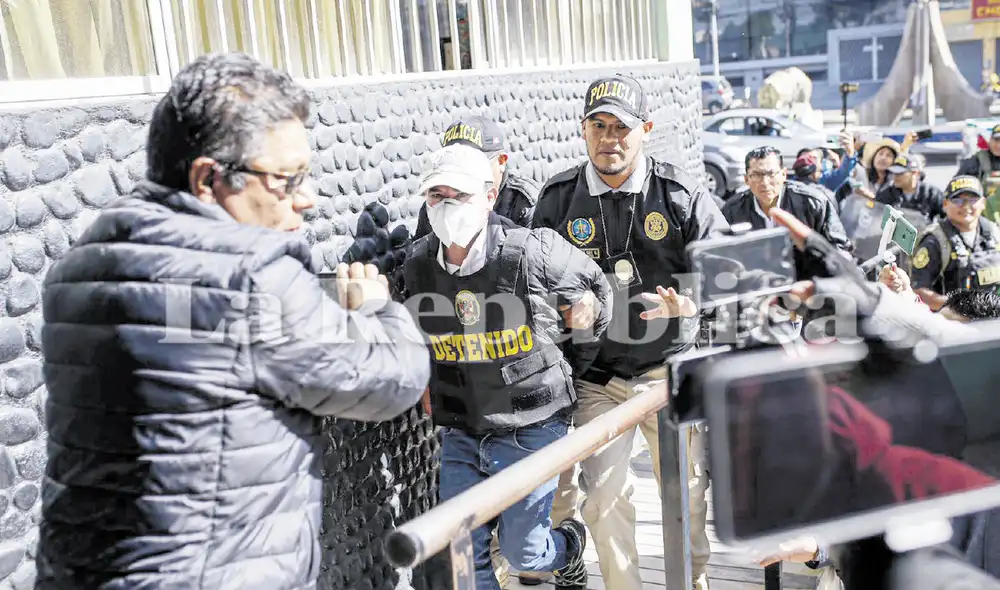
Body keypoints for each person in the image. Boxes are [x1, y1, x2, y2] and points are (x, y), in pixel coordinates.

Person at [36, 53, 430, 590]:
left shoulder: (79, 269)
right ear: (207, 179)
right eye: (286, 181)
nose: (306, 200)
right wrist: (375, 308)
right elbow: (392, 379)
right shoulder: (249, 277)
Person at [532, 72, 727, 590]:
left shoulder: (680, 194)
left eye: (621, 126)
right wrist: (558, 311)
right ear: (584, 130)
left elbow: (728, 269)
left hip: (668, 374)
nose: (609, 138)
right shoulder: (556, 200)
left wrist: (694, 301)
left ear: (646, 128)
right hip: (598, 378)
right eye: (598, 125)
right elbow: (530, 285)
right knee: (602, 498)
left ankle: (692, 579)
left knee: (684, 493)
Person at [403, 143, 614, 590]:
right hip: (463, 426)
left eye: (457, 195)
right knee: (461, 557)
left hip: (532, 425)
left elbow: (598, 296)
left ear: (489, 195)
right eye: (435, 195)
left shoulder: (533, 252)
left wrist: (580, 335)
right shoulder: (420, 263)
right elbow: (422, 332)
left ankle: (569, 546)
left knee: (526, 554)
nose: (445, 206)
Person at [721, 146, 852, 280]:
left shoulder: (812, 203)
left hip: (807, 286)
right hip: (756, 290)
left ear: (784, 174)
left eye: (771, 174)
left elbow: (839, 248)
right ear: (746, 179)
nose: (765, 182)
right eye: (756, 175)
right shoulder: (733, 210)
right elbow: (721, 256)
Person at [414, 115, 539, 238]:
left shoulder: (524, 203)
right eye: (455, 164)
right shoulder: (437, 202)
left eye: (476, 164)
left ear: (501, 161)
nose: (465, 172)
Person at [910, 176, 1000, 310]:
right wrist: (958, 306)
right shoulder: (934, 241)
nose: (966, 206)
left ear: (983, 203)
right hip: (952, 322)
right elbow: (918, 292)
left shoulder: (995, 233)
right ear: (945, 204)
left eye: (973, 199)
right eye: (958, 200)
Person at [956, 123, 1000, 225]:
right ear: (990, 140)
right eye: (996, 140)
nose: (998, 145)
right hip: (982, 217)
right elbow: (958, 187)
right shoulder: (976, 161)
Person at [881, 153, 945, 222]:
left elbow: (947, 217)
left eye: (900, 173)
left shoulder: (932, 193)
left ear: (915, 173)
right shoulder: (886, 192)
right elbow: (877, 219)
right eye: (894, 173)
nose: (895, 176)